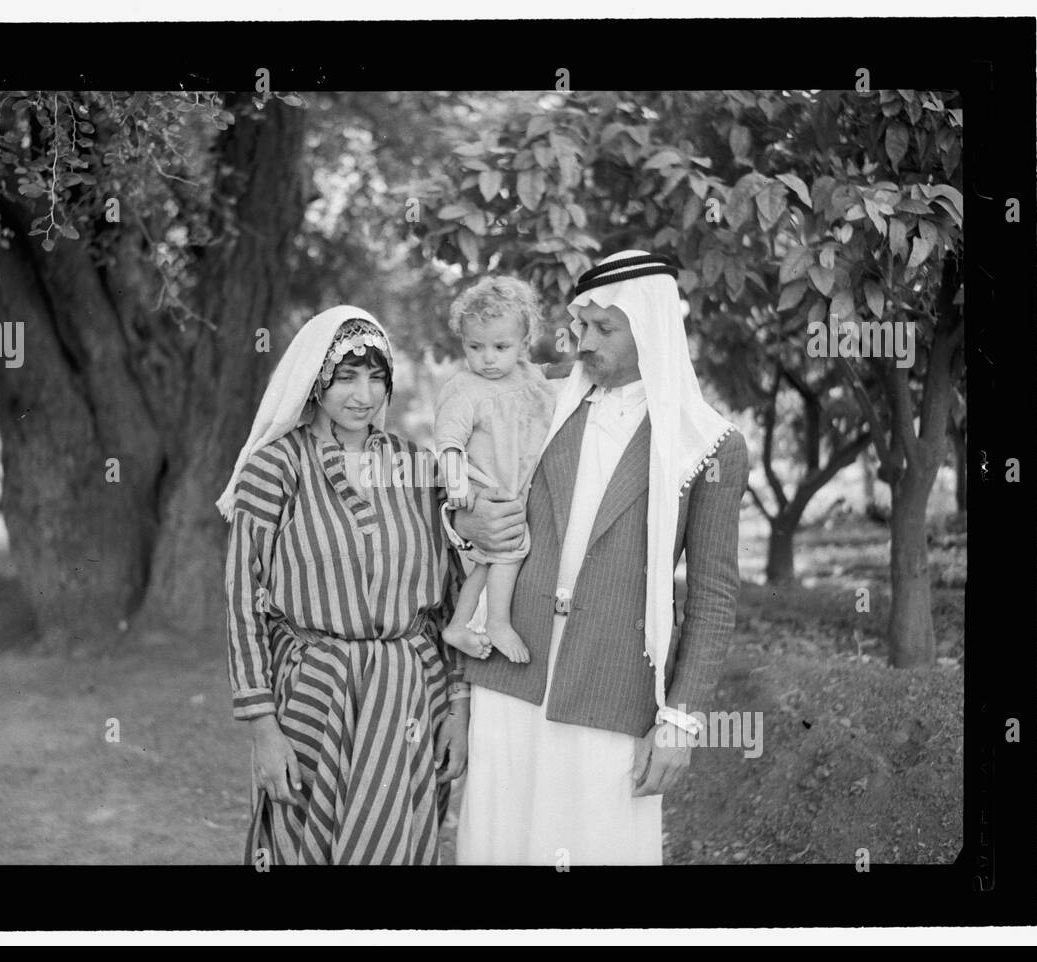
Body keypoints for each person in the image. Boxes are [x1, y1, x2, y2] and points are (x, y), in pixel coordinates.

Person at [447, 250, 749, 865]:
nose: (583, 343)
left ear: (653, 331)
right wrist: (462, 518)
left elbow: (713, 597)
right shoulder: (539, 399)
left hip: (613, 684)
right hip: (512, 667)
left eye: (605, 329)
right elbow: (469, 482)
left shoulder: (710, 443)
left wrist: (679, 721)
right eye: (581, 327)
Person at [219, 306, 469, 865]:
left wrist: (458, 708)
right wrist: (263, 727)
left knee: (398, 847)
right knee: (303, 844)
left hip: (410, 698)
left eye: (376, 377)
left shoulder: (416, 467)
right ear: (315, 381)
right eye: (346, 377)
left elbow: (450, 601)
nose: (364, 394)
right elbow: (241, 604)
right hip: (312, 697)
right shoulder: (275, 469)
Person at [434, 276, 557, 665]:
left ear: (524, 344)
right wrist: (458, 486)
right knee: (508, 551)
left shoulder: (528, 375)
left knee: (487, 565)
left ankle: (458, 625)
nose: (488, 358)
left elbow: (552, 379)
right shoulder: (465, 389)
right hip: (488, 488)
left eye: (501, 347)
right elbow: (449, 441)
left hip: (518, 482)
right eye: (475, 347)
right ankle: (498, 623)